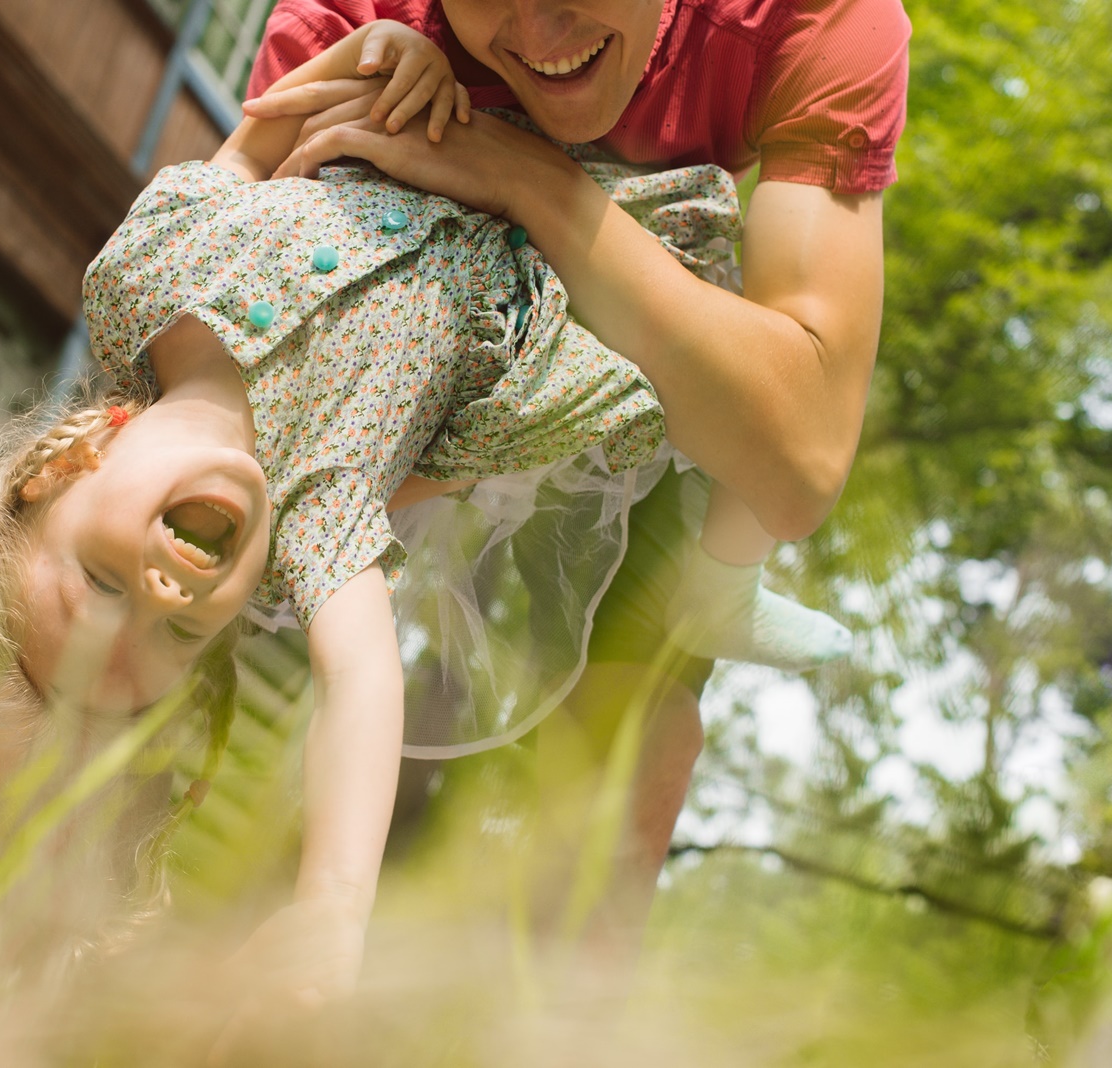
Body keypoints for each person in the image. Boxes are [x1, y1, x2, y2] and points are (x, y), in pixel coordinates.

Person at [0, 17, 858, 1007]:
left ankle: (724, 571)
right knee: (716, 412)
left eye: (105, 582)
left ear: (62, 468)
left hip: (432, 142)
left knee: (760, 415)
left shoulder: (132, 282)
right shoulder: (316, 515)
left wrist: (375, 50)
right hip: (551, 294)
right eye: (183, 632)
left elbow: (256, 137)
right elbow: (359, 688)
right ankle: (725, 577)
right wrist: (333, 905)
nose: (162, 591)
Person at [241, 0, 911, 954]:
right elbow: (264, 424)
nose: (542, 39)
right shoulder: (348, 24)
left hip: (654, 365)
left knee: (643, 742)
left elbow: (799, 461)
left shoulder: (814, 17)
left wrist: (531, 182)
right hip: (421, 376)